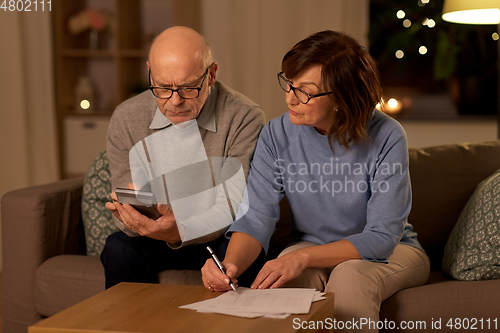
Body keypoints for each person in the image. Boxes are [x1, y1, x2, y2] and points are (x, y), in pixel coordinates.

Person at [201, 30, 430, 332]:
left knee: (349, 278)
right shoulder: (275, 135)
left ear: (342, 97)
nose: (289, 98)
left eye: (304, 92)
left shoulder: (387, 135)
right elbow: (256, 216)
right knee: (280, 282)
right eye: (289, 84)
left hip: (392, 251)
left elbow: (382, 236)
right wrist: (229, 265)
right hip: (309, 248)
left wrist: (304, 256)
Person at [101, 26, 266, 289]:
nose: (174, 101)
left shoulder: (244, 117)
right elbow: (129, 197)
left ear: (211, 75)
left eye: (189, 88)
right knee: (118, 247)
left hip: (219, 236)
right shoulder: (126, 117)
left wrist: (181, 229)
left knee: (245, 253)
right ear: (150, 73)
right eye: (163, 87)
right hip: (155, 237)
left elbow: (234, 207)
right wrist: (131, 217)